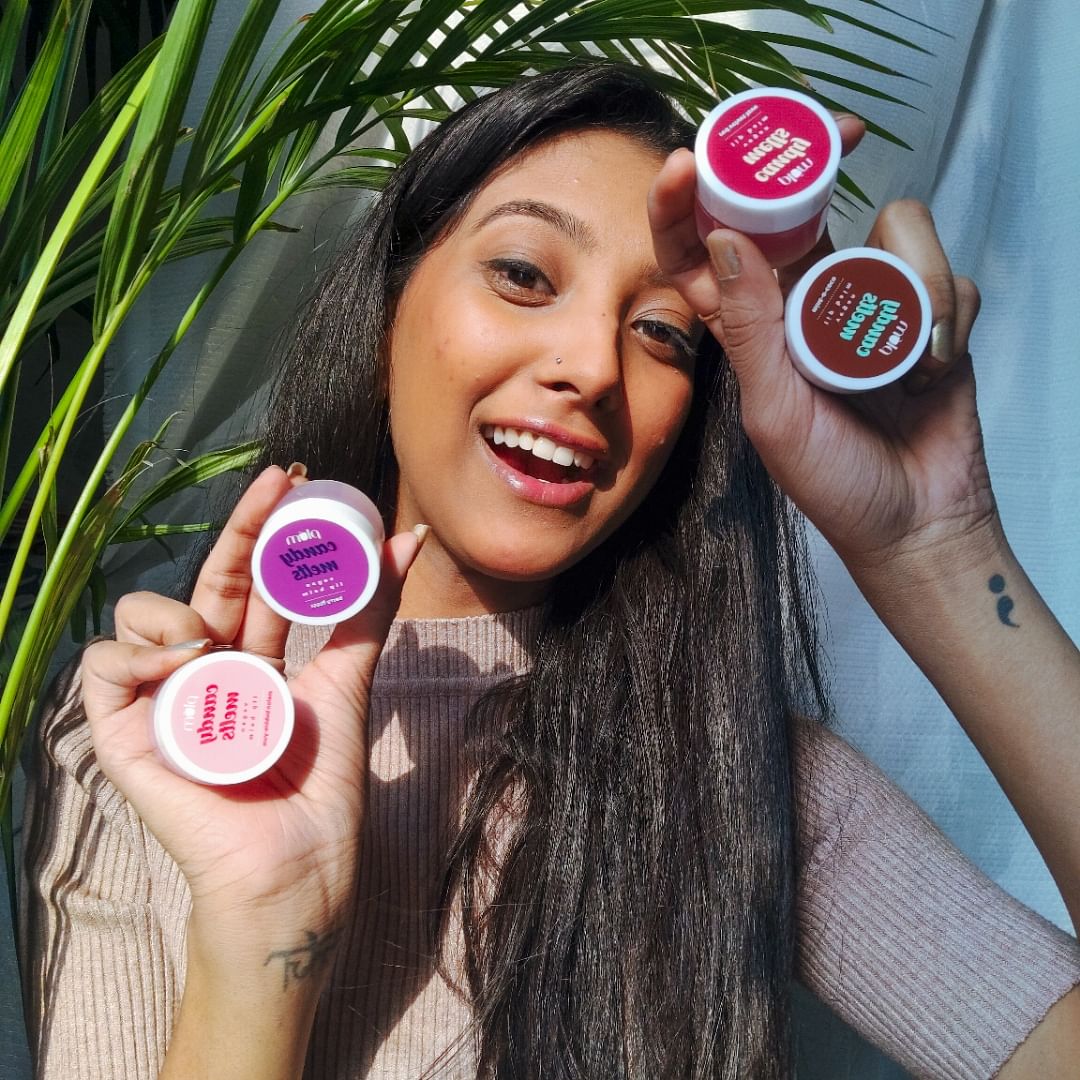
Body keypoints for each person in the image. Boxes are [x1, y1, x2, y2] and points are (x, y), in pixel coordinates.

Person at [19, 63, 1080, 1079]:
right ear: (389, 309)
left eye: (662, 333)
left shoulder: (734, 776)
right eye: (524, 274)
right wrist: (262, 930)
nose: (588, 366)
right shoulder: (160, 733)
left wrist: (940, 552)